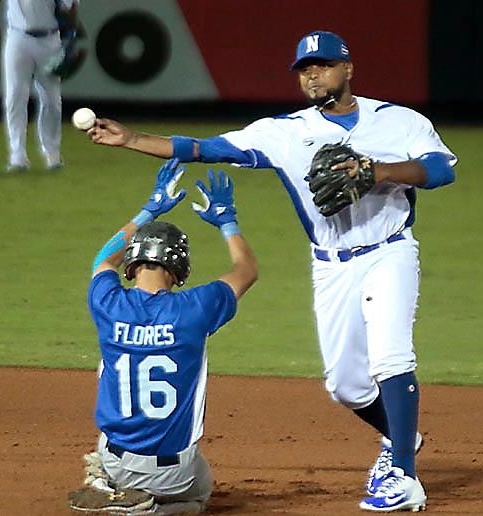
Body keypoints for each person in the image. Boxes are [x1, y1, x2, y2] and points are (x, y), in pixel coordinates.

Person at [84, 30, 457, 513]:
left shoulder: (398, 121)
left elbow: (441, 170)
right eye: (304, 69)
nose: (312, 75)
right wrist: (132, 138)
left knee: (389, 356)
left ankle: (403, 476)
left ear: (348, 69)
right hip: (330, 264)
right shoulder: (283, 132)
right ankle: (402, 439)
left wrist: (377, 171)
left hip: (390, 251)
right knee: (345, 385)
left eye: (322, 65)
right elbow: (203, 148)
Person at [77, 159, 258, 514]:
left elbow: (103, 259)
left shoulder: (108, 303)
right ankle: (151, 512)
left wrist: (150, 209)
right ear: (178, 272)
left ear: (131, 266)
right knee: (199, 495)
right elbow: (246, 270)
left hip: (117, 461)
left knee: (108, 436)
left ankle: (108, 482)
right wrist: (227, 221)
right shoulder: (195, 309)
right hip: (174, 474)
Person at [0, 0, 80, 172]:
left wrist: (71, 40)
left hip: (49, 39)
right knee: (15, 96)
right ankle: (17, 156)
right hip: (18, 37)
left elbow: (71, 8)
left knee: (51, 99)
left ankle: (52, 152)